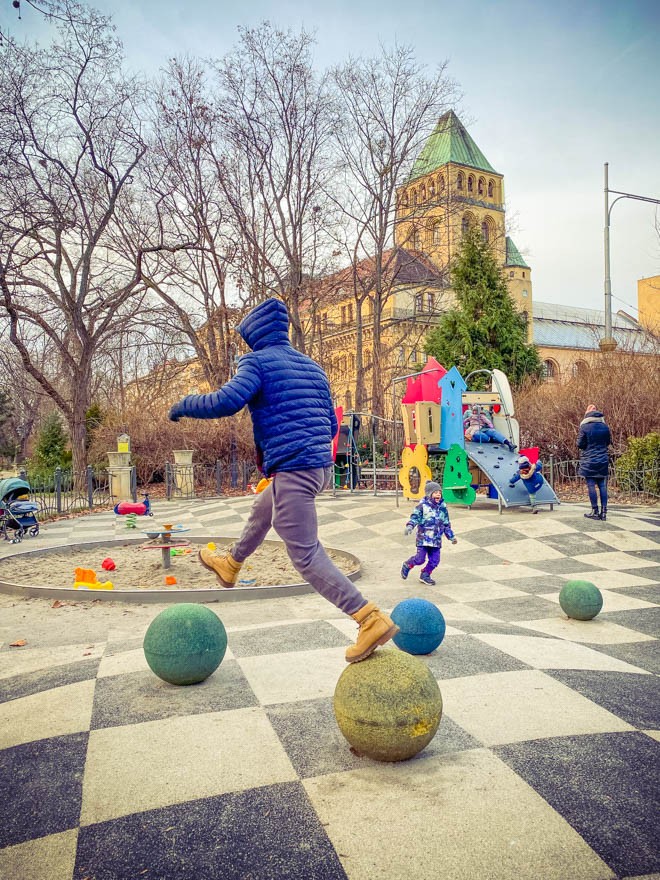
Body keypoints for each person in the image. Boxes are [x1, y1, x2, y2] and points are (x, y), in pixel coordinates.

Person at [168, 297, 398, 663]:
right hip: (317, 466)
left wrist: (184, 404)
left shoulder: (256, 362)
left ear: (254, 335)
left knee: (305, 554)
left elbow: (226, 401)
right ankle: (231, 563)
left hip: (294, 468)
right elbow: (331, 422)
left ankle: (368, 618)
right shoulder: (313, 367)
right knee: (264, 506)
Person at [401, 481, 457, 586]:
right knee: (420, 559)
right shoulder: (422, 506)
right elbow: (415, 517)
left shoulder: (443, 508)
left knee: (435, 560)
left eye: (439, 492)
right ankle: (408, 564)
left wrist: (451, 536)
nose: (438, 494)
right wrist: (410, 526)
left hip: (436, 540)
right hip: (423, 539)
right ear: (429, 494)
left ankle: (425, 574)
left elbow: (446, 524)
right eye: (435, 492)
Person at [577, 404, 611, 520]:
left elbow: (580, 444)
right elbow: (608, 442)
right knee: (602, 485)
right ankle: (604, 512)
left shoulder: (584, 427)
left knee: (591, 485)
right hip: (602, 459)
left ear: (587, 415)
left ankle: (595, 510)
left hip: (589, 460)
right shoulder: (605, 427)